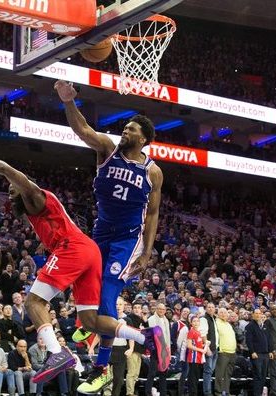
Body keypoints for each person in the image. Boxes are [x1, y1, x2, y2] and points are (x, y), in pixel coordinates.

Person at [0, 150, 168, 386]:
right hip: (89, 252)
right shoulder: (34, 207)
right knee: (90, 321)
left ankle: (57, 352)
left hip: (73, 248)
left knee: (33, 302)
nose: (9, 189)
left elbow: (6, 168)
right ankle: (146, 336)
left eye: (12, 186)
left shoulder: (33, 194)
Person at [54, 80, 167, 393]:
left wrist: (146, 251)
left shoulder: (153, 172)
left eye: (131, 129)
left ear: (143, 139)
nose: (125, 132)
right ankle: (85, 327)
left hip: (127, 241)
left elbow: (154, 213)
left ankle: (101, 367)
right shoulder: (107, 149)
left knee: (105, 299)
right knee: (84, 285)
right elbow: (83, 130)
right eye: (126, 127)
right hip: (100, 232)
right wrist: (67, 102)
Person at [246, 309, 272, 396]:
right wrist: (252, 351)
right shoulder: (250, 326)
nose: (258, 315)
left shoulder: (264, 326)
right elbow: (248, 340)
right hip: (256, 354)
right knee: (258, 375)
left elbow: (269, 339)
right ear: (253, 315)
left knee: (264, 376)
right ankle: (256, 394)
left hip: (265, 354)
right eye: (256, 313)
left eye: (259, 313)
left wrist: (270, 351)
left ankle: (260, 393)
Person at [215, 307, 237, 396]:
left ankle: (226, 392)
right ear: (218, 314)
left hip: (232, 352)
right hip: (223, 352)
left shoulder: (228, 324)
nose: (223, 314)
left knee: (228, 374)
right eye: (221, 312)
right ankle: (218, 392)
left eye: (225, 312)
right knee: (219, 375)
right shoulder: (216, 323)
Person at [200, 302, 219, 396]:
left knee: (210, 371)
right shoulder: (204, 319)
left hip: (215, 348)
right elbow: (203, 334)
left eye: (212, 307)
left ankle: (208, 391)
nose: (211, 308)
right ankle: (207, 393)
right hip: (209, 349)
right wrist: (206, 348)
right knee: (207, 371)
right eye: (209, 307)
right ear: (206, 309)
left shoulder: (214, 319)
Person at [187, 315, 208, 396]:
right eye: (194, 321)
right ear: (191, 323)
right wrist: (201, 350)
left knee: (196, 379)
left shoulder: (198, 332)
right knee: (193, 380)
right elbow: (189, 345)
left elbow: (198, 344)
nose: (196, 323)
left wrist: (204, 345)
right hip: (193, 358)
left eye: (197, 321)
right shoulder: (191, 331)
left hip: (199, 359)